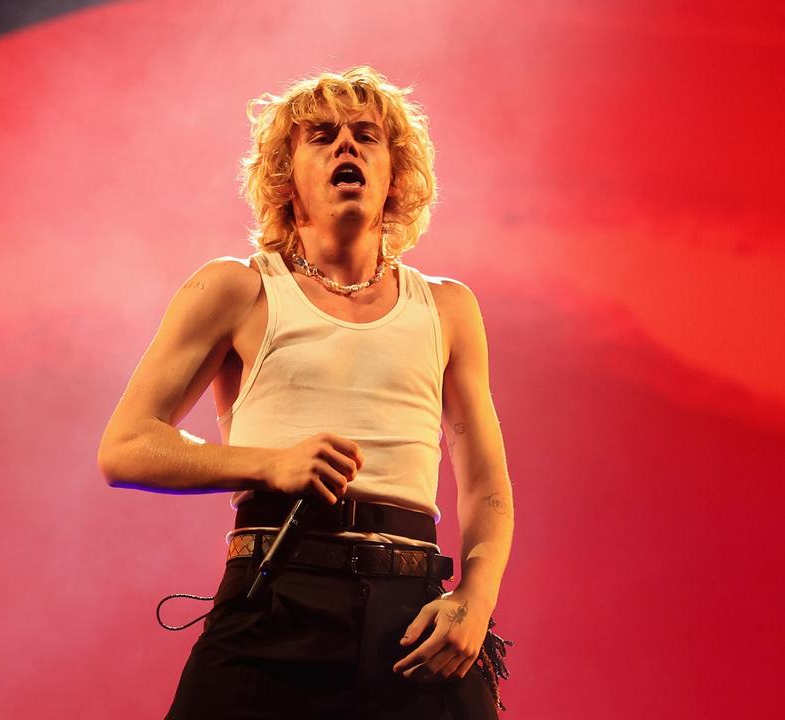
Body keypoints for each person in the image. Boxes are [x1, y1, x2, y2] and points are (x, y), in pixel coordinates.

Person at [97, 66, 514, 719]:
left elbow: (487, 482)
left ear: (394, 175)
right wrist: (269, 462)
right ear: (286, 179)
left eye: (365, 136)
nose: (345, 146)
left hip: (414, 616)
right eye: (322, 136)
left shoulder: (448, 308)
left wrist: (477, 597)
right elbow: (126, 446)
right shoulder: (238, 288)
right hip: (277, 598)